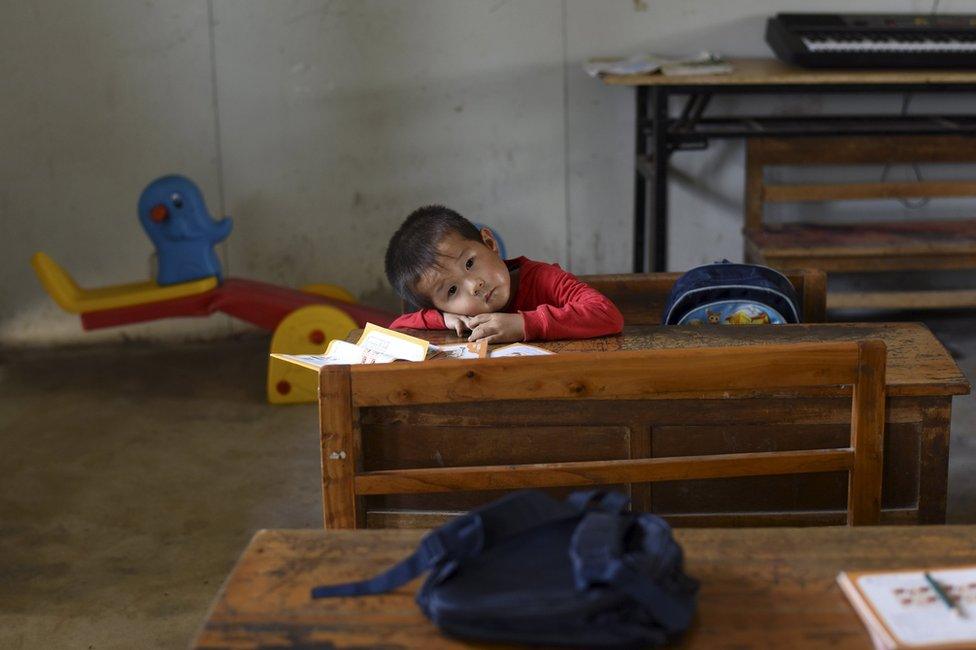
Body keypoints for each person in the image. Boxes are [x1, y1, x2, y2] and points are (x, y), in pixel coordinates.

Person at [384, 205, 624, 343]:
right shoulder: (458, 316)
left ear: (489, 243)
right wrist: (443, 318)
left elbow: (607, 314)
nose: (474, 285)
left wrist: (524, 324)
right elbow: (396, 329)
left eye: (469, 263)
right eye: (452, 290)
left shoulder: (542, 278)